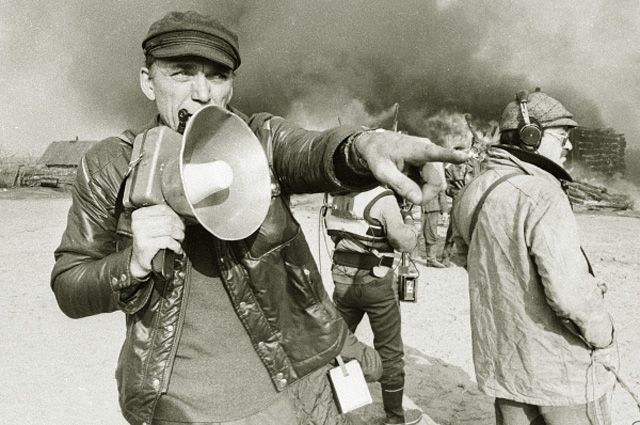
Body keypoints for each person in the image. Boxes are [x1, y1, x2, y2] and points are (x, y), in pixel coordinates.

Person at [50, 10, 467, 425]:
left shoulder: (259, 142)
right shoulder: (111, 165)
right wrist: (133, 264)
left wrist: (362, 149)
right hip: (179, 407)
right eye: (182, 73)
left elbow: (312, 152)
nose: (202, 92)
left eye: (218, 76)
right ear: (148, 81)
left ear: (231, 86)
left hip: (284, 396)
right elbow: (70, 284)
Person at [451, 90, 616, 425]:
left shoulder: (473, 190)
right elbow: (568, 295)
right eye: (561, 136)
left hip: (505, 362)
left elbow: (461, 257)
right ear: (531, 136)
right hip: (559, 371)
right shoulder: (543, 194)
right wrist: (603, 334)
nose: (568, 146)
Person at [325, 186, 422, 425]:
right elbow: (405, 242)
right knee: (390, 351)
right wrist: (411, 221)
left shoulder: (334, 193)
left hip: (342, 280)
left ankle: (328, 410)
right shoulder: (382, 197)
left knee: (336, 344)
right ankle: (395, 417)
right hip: (376, 283)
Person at [421, 189, 448, 267]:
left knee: (431, 234)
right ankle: (410, 261)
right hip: (416, 207)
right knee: (414, 234)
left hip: (432, 209)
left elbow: (442, 194)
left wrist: (445, 211)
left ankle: (431, 259)